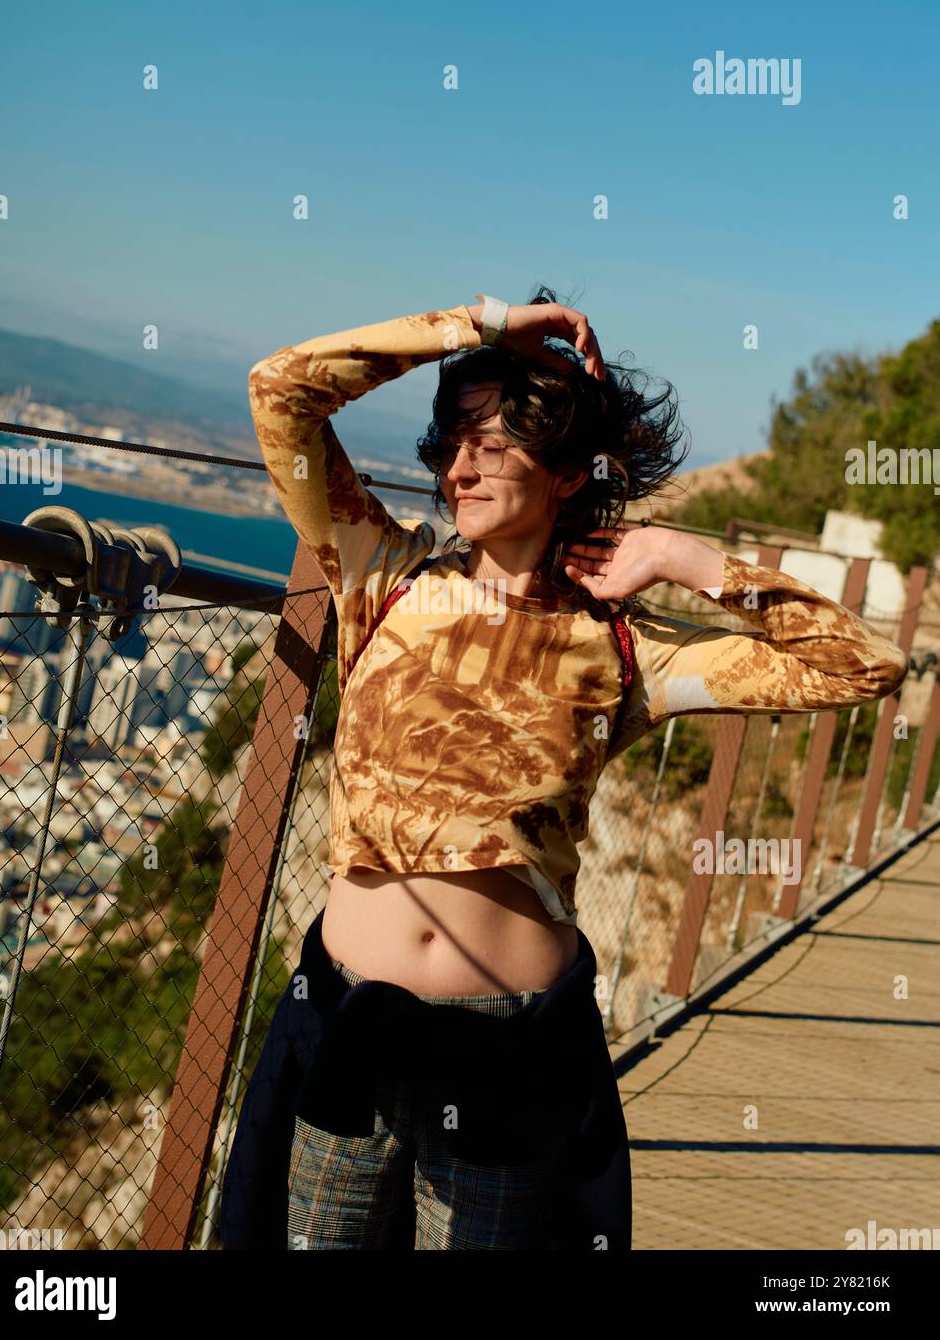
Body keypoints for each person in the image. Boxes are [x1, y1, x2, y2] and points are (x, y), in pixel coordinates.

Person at [219, 287, 908, 1251]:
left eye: (489, 442)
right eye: (448, 442)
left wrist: (677, 555)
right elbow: (281, 389)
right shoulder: (381, 573)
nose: (457, 467)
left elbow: (863, 665)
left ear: (566, 470)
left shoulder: (626, 649)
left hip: (509, 1059)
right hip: (352, 1031)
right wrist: (479, 326)